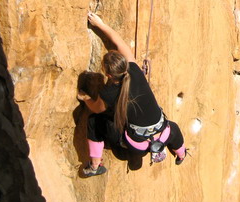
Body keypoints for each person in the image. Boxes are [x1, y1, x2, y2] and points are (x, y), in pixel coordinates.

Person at [78, 12, 187, 177]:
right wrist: (100, 24)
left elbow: (96, 109)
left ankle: (94, 165)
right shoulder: (134, 70)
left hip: (137, 145)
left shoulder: (108, 93)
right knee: (174, 129)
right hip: (163, 134)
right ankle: (181, 154)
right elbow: (118, 42)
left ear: (108, 75)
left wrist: (84, 99)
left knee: (94, 122)